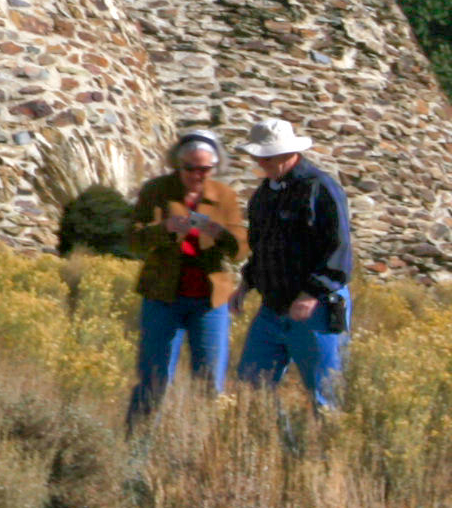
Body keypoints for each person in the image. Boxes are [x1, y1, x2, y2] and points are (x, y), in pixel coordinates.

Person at [125, 129, 248, 421]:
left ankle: (201, 453)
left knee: (209, 385)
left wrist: (220, 235)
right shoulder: (156, 191)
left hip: (210, 301)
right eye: (190, 168)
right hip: (162, 296)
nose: (197, 175)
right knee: (153, 381)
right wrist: (165, 229)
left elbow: (241, 251)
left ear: (215, 167)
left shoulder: (225, 196)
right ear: (178, 165)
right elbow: (133, 240)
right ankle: (135, 455)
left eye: (204, 169)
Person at [231, 117, 352, 409]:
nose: (261, 163)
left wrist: (311, 293)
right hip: (273, 306)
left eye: (266, 157)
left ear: (287, 153)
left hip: (317, 308)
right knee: (252, 388)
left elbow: (339, 247)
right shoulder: (263, 195)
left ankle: (326, 454)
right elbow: (261, 248)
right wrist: (245, 285)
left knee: (325, 396)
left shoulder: (320, 188)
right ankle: (273, 450)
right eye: (258, 157)